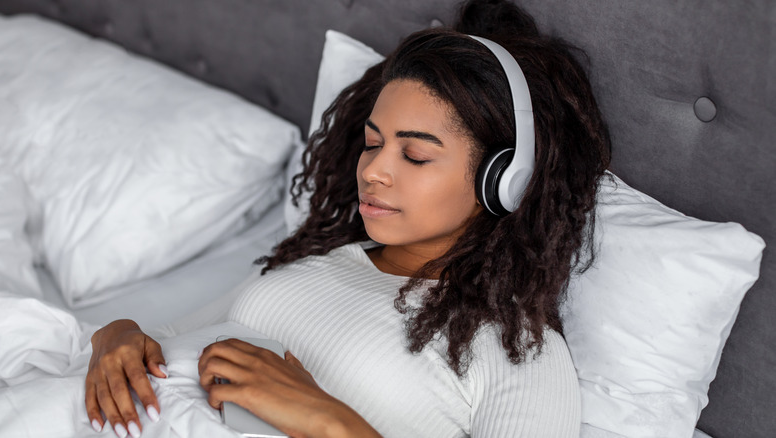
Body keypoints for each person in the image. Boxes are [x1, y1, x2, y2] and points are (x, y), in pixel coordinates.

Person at [84, 0, 611, 436]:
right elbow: (166, 336)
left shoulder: (516, 350)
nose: (374, 171)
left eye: (416, 155)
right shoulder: (319, 260)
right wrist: (116, 334)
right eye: (372, 144)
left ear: (503, 180)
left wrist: (329, 420)